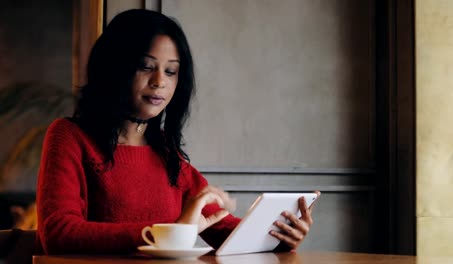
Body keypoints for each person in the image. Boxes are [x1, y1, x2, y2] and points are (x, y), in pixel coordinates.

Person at [36, 9, 319, 255]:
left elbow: (225, 232)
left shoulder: (166, 154)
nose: (159, 81)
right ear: (114, 68)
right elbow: (58, 234)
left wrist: (282, 235)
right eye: (146, 67)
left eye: (171, 72)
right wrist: (170, 234)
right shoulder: (70, 136)